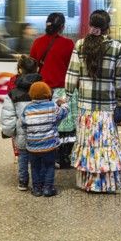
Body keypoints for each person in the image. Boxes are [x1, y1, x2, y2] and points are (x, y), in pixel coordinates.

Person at [65, 9, 121, 193]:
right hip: (106, 109)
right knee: (106, 146)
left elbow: (71, 74)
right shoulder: (117, 47)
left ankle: (88, 183)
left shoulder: (80, 45)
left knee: (88, 144)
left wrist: (67, 96)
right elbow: (120, 79)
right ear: (107, 26)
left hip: (85, 109)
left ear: (91, 24)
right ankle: (105, 184)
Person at [30, 12, 77, 168]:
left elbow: (32, 66)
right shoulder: (69, 43)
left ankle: (49, 154)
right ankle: (64, 157)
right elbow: (74, 68)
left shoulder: (37, 42)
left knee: (48, 126)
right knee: (67, 128)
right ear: (62, 26)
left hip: (44, 92)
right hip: (64, 92)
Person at [1, 57, 42, 191]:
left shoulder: (13, 91)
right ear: (37, 69)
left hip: (21, 133)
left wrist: (8, 132)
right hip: (40, 132)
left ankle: (23, 182)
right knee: (37, 159)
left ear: (20, 70)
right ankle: (38, 184)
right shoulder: (43, 88)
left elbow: (8, 114)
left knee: (23, 158)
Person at [22, 81, 69, 197]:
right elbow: (64, 112)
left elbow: (23, 124)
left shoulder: (27, 108)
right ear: (48, 93)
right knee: (49, 165)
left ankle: (37, 188)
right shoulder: (52, 106)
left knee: (34, 167)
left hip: (32, 146)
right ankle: (48, 188)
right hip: (49, 145)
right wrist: (64, 104)